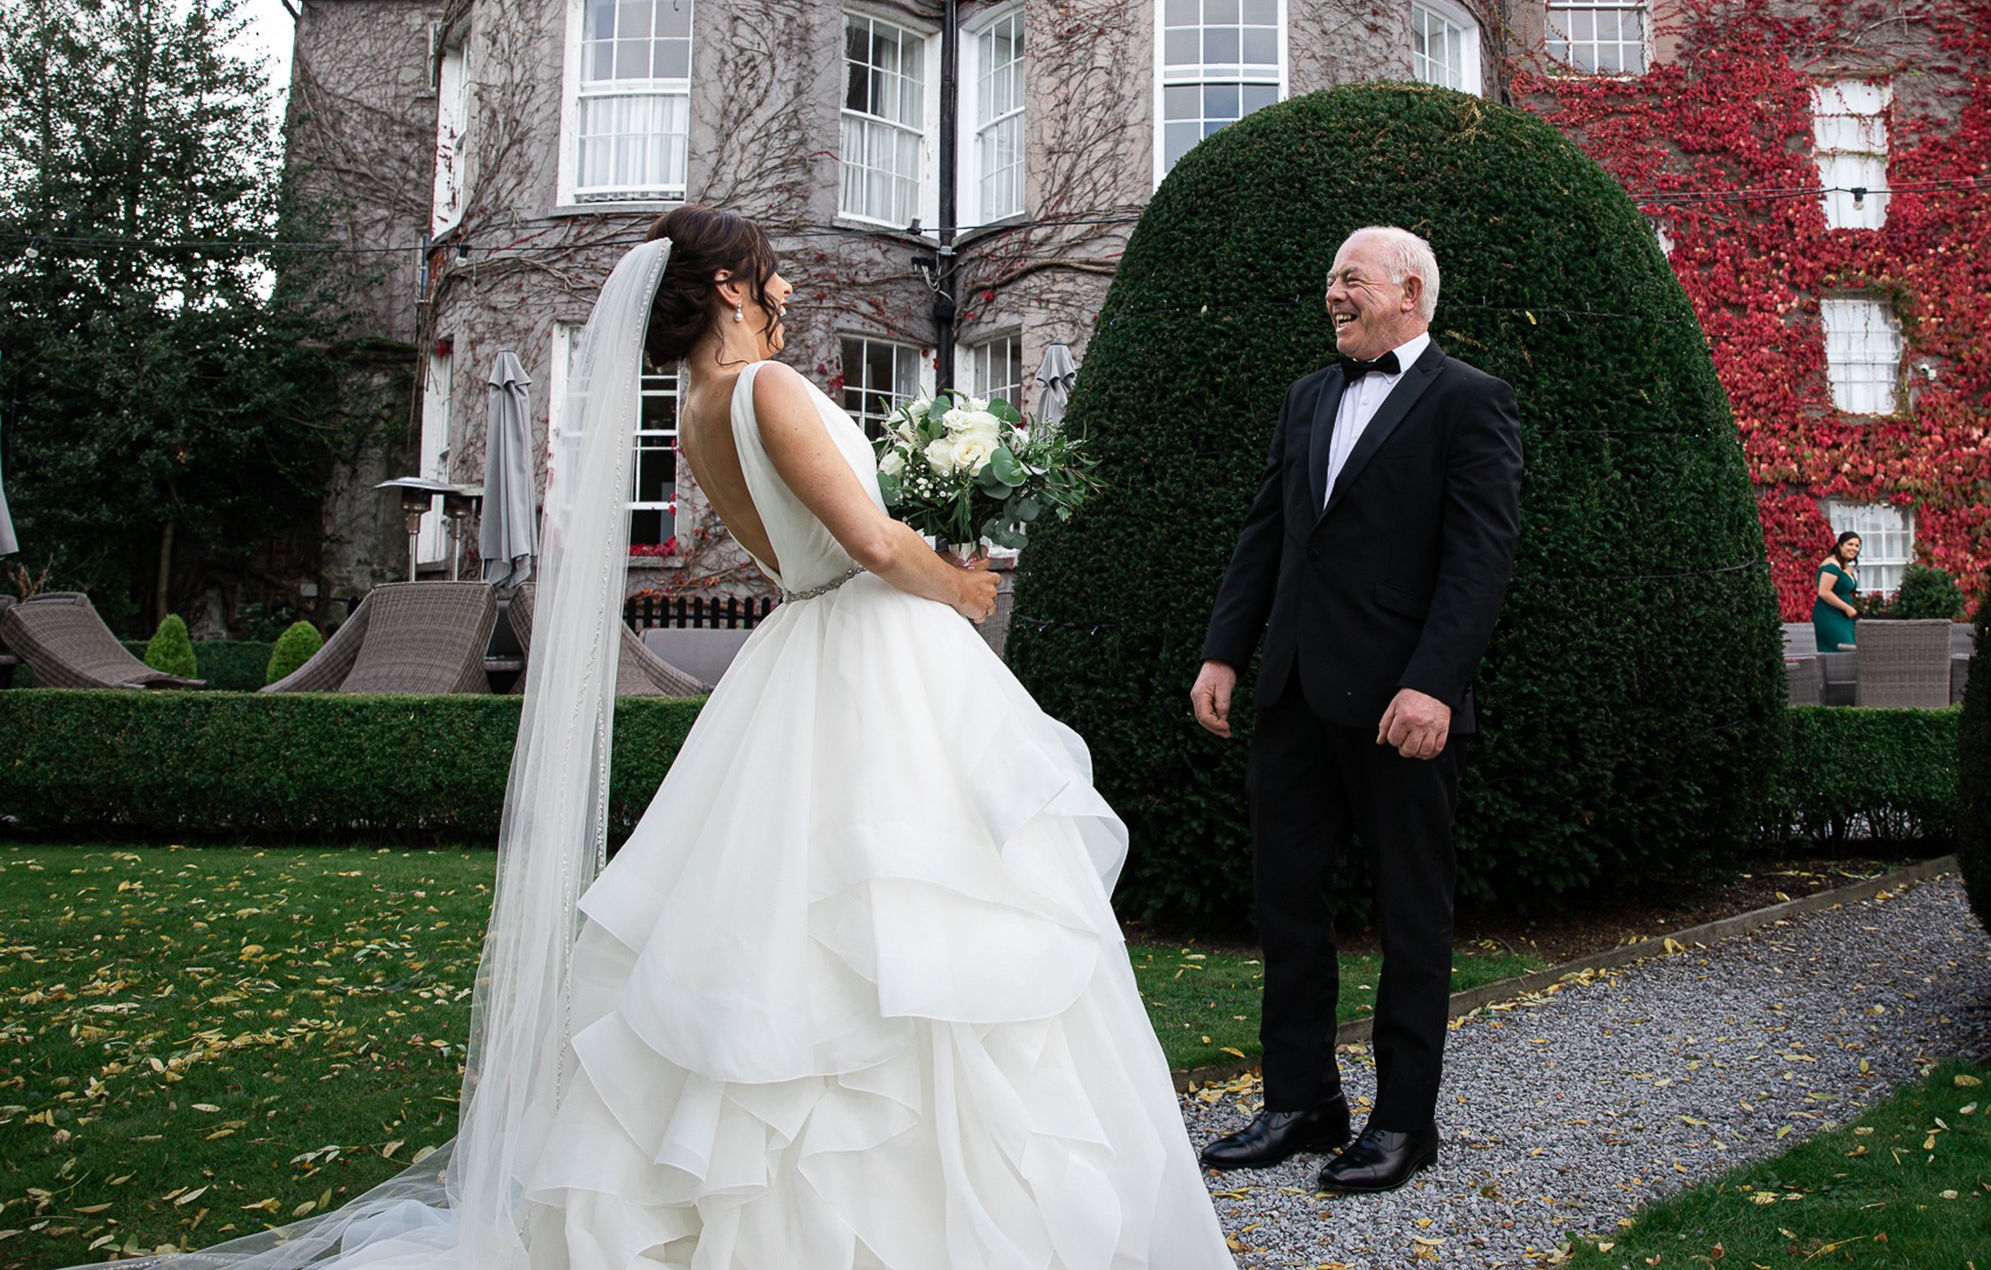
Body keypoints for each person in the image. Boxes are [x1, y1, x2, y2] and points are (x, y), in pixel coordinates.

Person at [107, 209, 1236, 1270]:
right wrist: (956, 580)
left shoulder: (698, 408)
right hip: (875, 656)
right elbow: (865, 542)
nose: (787, 286)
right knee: (909, 924)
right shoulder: (769, 388)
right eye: (771, 270)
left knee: (795, 927)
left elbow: (804, 547)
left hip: (804, 653)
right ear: (734, 288)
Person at [1188, 227, 1523, 1196]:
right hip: (1292, 695)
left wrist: (1434, 683)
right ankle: (1302, 1102)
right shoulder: (1305, 397)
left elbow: (1479, 560)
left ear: (1409, 290)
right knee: (1287, 904)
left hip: (1399, 706)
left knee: (1413, 917)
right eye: (1330, 276)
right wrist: (1224, 651)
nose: (1331, 292)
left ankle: (1403, 1124)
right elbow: (1267, 533)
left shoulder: (1471, 400)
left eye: (1349, 278)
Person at [1813, 530, 1864, 651]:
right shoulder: (1832, 565)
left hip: (1844, 617)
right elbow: (1824, 592)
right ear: (1840, 545)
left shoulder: (1846, 567)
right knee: (1844, 650)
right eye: (1850, 544)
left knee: (1850, 650)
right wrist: (1847, 608)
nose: (1854, 548)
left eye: (1857, 546)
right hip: (1830, 616)